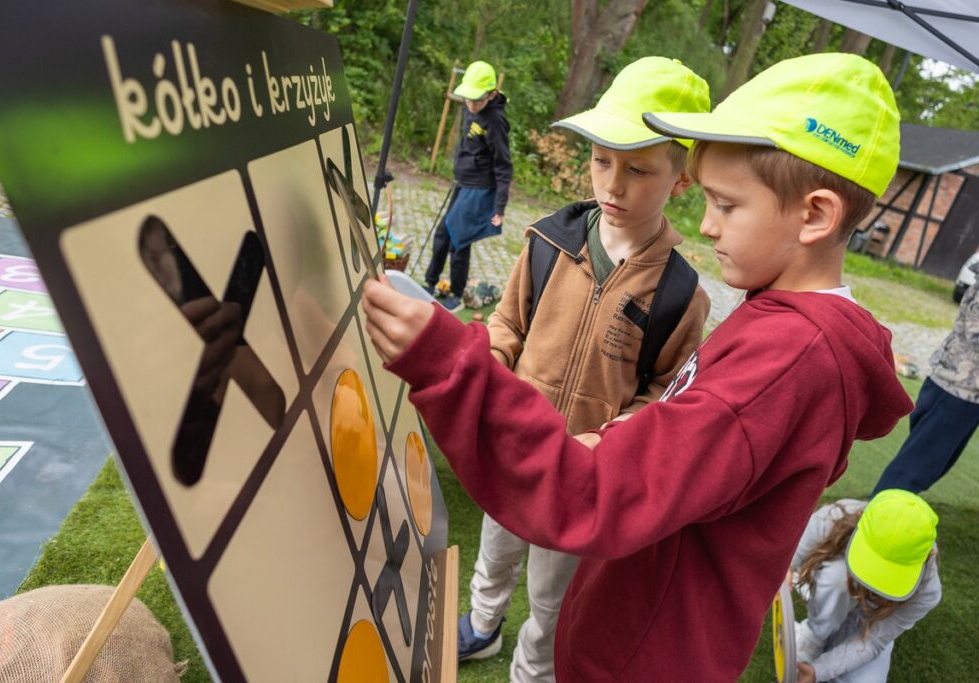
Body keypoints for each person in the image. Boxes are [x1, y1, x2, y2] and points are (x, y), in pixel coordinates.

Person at [361, 53, 914, 681]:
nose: (705, 226)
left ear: (815, 215)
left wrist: (445, 362)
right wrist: (627, 435)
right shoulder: (783, 330)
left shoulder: (787, 359)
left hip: (634, 657)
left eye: (726, 205)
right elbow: (703, 443)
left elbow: (597, 495)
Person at [458, 57, 712, 682]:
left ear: (681, 180)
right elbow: (506, 325)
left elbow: (665, 392)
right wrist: (494, 373)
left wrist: (614, 437)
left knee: (552, 594)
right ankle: (483, 625)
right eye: (602, 161)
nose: (613, 185)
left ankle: (533, 670)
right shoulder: (547, 241)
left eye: (639, 169)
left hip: (583, 478)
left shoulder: (682, 293)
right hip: (515, 448)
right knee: (496, 550)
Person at [790, 491, 941, 683]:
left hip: (868, 623)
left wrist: (818, 671)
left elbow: (873, 641)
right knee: (837, 577)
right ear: (859, 520)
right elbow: (788, 558)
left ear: (926, 558)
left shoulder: (928, 592)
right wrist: (785, 571)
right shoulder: (833, 517)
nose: (873, 581)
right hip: (832, 592)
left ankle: (826, 640)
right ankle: (814, 636)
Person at [873, 265, 979, 494]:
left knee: (929, 468)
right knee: (910, 474)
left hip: (965, 389)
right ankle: (870, 524)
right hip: (957, 387)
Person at [423, 60, 512, 312]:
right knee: (442, 233)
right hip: (463, 182)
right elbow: (467, 145)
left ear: (492, 94)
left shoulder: (495, 121)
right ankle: (429, 283)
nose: (471, 105)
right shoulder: (468, 108)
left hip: (481, 187)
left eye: (477, 101)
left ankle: (456, 293)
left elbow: (504, 166)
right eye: (468, 99)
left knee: (458, 240)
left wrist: (499, 206)